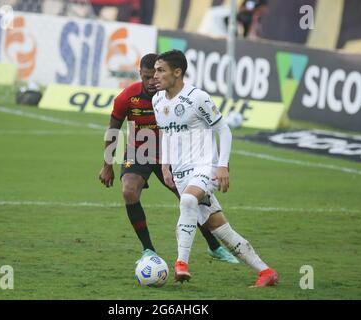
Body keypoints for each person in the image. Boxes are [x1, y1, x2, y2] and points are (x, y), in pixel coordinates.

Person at [152, 50, 278, 287]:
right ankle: (266, 272)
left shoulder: (197, 97)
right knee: (220, 228)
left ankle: (181, 264)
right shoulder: (157, 100)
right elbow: (166, 134)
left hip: (204, 165)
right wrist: (164, 165)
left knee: (188, 201)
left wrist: (222, 166)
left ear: (177, 72)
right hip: (179, 172)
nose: (155, 76)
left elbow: (224, 130)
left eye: (161, 70)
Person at [98, 53, 238, 264]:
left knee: (191, 200)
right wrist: (107, 165)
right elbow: (113, 130)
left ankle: (214, 246)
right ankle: (148, 250)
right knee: (128, 190)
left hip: (173, 155)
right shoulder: (126, 97)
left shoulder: (171, 96)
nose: (151, 81)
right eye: (146, 77)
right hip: (139, 152)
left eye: (154, 75)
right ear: (140, 74)